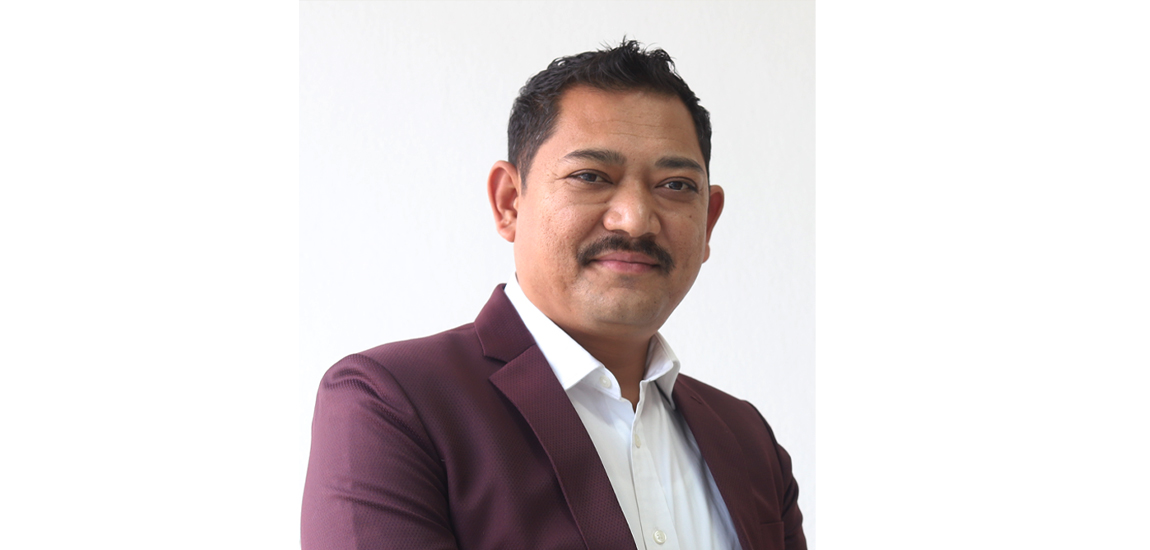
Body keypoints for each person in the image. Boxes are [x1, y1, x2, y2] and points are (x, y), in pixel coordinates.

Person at [301, 39, 807, 550]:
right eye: (590, 177)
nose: (635, 219)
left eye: (675, 185)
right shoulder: (392, 405)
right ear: (509, 202)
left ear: (709, 222)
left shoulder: (748, 440)